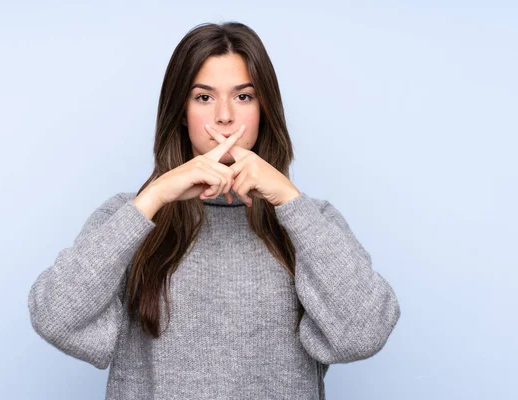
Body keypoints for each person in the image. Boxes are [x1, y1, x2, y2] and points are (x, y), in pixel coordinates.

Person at [27, 21, 401, 400]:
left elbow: (364, 333)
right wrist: (154, 197)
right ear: (181, 112)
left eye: (243, 97)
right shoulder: (128, 217)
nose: (224, 117)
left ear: (265, 110)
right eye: (203, 97)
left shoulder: (310, 220)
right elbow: (56, 317)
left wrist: (289, 200)